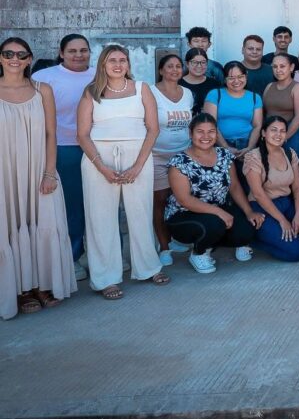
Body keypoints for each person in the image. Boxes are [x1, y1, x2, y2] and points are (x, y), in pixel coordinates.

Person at [76, 45, 168, 298]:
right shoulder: (91, 91)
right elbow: (82, 134)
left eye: (122, 60)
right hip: (99, 158)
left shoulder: (142, 88)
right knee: (100, 218)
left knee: (141, 213)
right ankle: (106, 279)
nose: (118, 65)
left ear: (128, 64)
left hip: (138, 155)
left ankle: (148, 268)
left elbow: (153, 129)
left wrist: (138, 165)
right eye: (112, 60)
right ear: (103, 64)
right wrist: (101, 167)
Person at [0, 38, 75, 319]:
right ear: (0, 58)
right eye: (8, 53)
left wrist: (49, 172)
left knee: (43, 223)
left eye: (21, 54)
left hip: (39, 168)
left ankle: (43, 284)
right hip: (5, 172)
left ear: (30, 59)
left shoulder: (42, 90)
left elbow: (51, 134)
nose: (14, 58)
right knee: (10, 227)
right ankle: (20, 290)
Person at [31, 33, 94, 275]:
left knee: (102, 204)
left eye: (83, 50)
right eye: (72, 51)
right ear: (61, 53)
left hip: (98, 147)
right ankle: (73, 257)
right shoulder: (44, 78)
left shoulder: (100, 74)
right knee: (73, 206)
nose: (78, 55)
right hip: (64, 148)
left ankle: (106, 255)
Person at [164, 114, 259, 274]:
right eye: (200, 131)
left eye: (211, 131)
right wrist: (219, 212)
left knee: (247, 228)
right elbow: (185, 199)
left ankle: (213, 243)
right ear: (190, 133)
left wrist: (249, 211)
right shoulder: (179, 162)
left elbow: (235, 187)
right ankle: (199, 252)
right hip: (183, 215)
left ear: (216, 134)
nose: (206, 136)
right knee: (216, 223)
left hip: (216, 210)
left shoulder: (224, 155)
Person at [243, 116, 299, 261]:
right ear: (264, 133)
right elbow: (258, 194)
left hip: (285, 203)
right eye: (274, 130)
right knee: (295, 253)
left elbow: (297, 187)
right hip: (263, 208)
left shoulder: (289, 153)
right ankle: (256, 239)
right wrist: (282, 220)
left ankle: (285, 233)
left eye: (282, 131)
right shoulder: (254, 157)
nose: (278, 134)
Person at [150, 54, 194, 266]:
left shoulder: (188, 93)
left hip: (182, 155)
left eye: (178, 66)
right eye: (170, 66)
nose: (175, 70)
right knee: (159, 200)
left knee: (180, 200)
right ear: (161, 70)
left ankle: (176, 238)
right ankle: (164, 246)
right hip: (157, 154)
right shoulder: (150, 92)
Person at [204, 62, 264, 156]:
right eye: (231, 78)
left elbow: (257, 126)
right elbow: (210, 124)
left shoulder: (255, 97)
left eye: (240, 77)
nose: (236, 81)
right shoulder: (215, 94)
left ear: (246, 76)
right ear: (225, 79)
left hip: (247, 143)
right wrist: (226, 147)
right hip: (219, 143)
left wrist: (249, 148)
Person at [262, 53, 299, 162]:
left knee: (290, 167)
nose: (278, 70)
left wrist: (283, 137)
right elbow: (264, 112)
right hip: (270, 134)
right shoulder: (269, 86)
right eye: (275, 66)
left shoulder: (297, 88)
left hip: (290, 135)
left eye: (282, 66)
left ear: (291, 67)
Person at [180, 48, 220, 115]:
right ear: (187, 64)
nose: (199, 66)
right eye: (194, 62)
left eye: (203, 62)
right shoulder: (178, 84)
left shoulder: (215, 85)